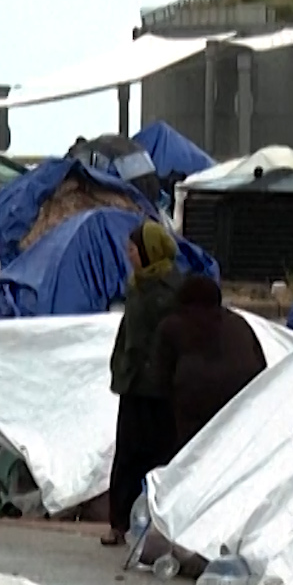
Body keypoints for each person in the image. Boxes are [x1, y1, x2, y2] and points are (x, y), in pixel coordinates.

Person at [102, 221, 185, 547]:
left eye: (134, 249)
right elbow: (128, 332)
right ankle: (118, 523)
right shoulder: (136, 285)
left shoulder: (173, 288)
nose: (130, 255)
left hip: (161, 389)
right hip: (134, 385)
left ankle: (160, 524)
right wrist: (120, 365)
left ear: (150, 251)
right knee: (127, 455)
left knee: (162, 455)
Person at [153, 274, 268, 451]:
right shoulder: (239, 323)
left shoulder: (173, 325)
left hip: (195, 406)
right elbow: (261, 365)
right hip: (244, 403)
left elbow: (160, 379)